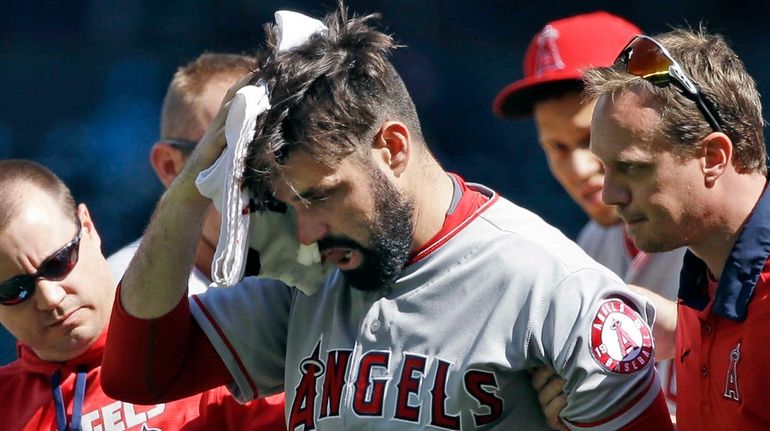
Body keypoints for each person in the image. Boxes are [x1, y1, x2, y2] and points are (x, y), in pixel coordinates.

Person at [102, 6, 674, 430]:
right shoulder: (310, 274)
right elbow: (140, 373)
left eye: (322, 195)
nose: (304, 232)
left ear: (393, 148)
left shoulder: (552, 284)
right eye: (290, 203)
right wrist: (190, 186)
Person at [492, 11, 683, 423]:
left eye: (588, 139)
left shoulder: (724, 229)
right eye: (557, 147)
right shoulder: (589, 247)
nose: (578, 169)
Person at [0, 160, 285, 430]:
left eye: (58, 263)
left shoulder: (212, 348)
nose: (50, 298)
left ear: (87, 227)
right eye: (15, 290)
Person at [584, 28, 768, 429]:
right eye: (605, 167)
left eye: (632, 167)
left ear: (713, 157)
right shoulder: (707, 271)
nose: (610, 195)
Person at [107, 52, 259, 293]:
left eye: (275, 150)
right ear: (170, 166)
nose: (257, 174)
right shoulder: (120, 293)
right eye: (228, 152)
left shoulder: (314, 270)